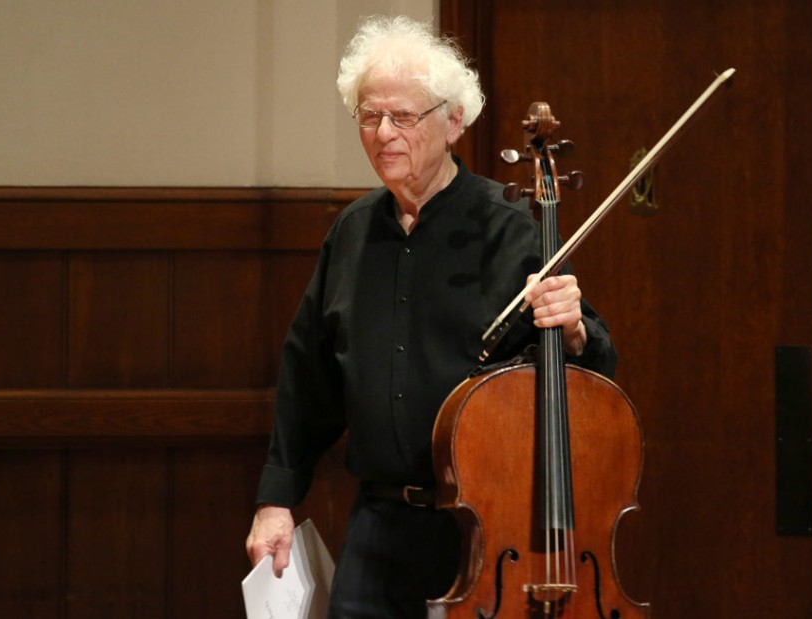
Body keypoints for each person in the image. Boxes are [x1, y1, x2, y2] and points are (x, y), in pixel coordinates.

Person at [245, 15, 616, 618]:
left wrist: (574, 330)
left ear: (453, 122)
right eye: (369, 116)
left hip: (486, 531)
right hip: (378, 526)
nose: (383, 133)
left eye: (403, 117)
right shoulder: (351, 233)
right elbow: (307, 374)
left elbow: (593, 367)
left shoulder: (511, 226)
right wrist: (276, 501)